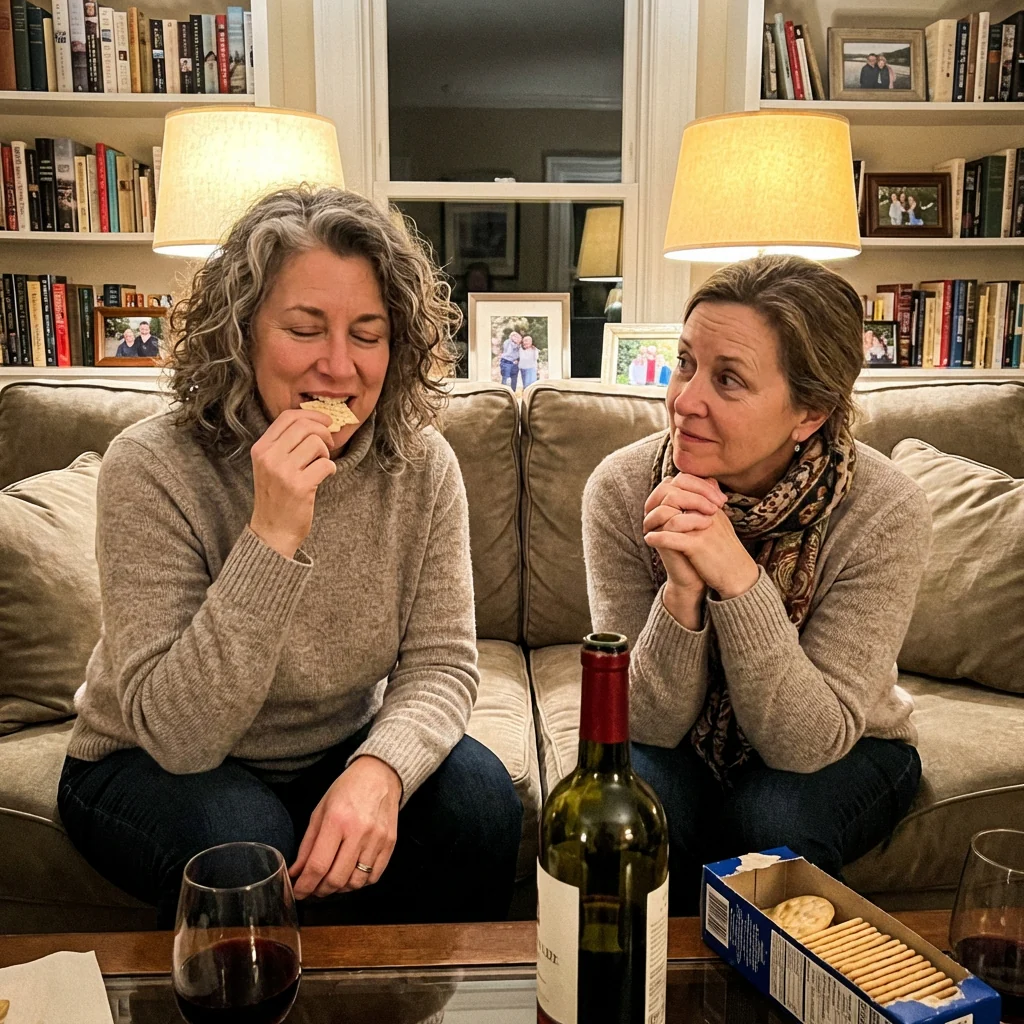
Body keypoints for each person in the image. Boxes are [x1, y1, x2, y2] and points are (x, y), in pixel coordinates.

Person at [57, 186, 523, 929]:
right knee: (243, 853)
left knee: (483, 804)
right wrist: (271, 538)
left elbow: (441, 664)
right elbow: (179, 736)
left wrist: (379, 770)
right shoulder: (150, 466)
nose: (339, 367)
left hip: (333, 745)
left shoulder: (422, 464)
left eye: (367, 334)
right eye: (306, 329)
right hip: (146, 758)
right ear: (240, 333)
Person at [583, 255, 930, 915]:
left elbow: (809, 741)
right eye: (684, 363)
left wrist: (737, 578)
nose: (685, 401)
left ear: (810, 413)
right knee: (628, 802)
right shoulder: (624, 488)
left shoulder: (885, 509)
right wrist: (681, 594)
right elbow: (645, 723)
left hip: (851, 743)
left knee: (769, 818)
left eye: (729, 379)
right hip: (682, 743)